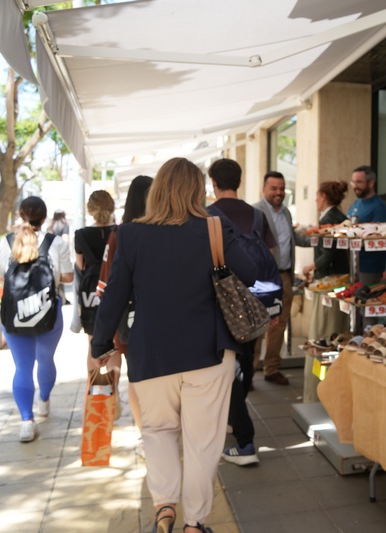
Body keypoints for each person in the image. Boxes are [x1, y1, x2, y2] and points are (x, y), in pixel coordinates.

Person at [90, 157, 257, 533]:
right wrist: (218, 224)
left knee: (158, 432)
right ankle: (194, 523)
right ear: (198, 191)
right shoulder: (212, 227)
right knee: (203, 443)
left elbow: (114, 296)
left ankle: (164, 510)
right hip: (209, 353)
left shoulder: (131, 234)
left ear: (158, 190)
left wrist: (100, 344)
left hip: (151, 353)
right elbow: (250, 271)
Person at [207, 158, 276, 466]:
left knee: (229, 364)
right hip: (258, 299)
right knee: (246, 360)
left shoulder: (208, 216)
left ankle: (243, 436)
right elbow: (270, 256)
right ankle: (236, 416)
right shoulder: (258, 215)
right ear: (239, 180)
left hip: (225, 301)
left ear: (213, 183)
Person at [0, 197, 74, 442]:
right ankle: (44, 401)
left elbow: (1, 277)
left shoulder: (6, 242)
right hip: (48, 313)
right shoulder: (55, 243)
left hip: (15, 315)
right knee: (46, 359)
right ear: (44, 216)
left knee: (22, 367)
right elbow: (69, 277)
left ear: (21, 214)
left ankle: (26, 422)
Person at [96, 175, 153, 459]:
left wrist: (102, 337)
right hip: (154, 317)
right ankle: (152, 433)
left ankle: (146, 436)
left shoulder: (120, 234)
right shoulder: (162, 232)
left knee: (136, 377)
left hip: (128, 319)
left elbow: (106, 287)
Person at [253, 171, 294, 386]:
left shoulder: (286, 213)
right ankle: (249, 373)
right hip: (262, 279)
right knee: (258, 324)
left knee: (279, 325)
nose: (279, 192)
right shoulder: (255, 212)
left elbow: (290, 240)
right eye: (274, 188)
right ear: (264, 189)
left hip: (284, 276)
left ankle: (271, 369)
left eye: (282, 188)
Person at [296, 180, 350, 339]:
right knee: (337, 324)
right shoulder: (340, 216)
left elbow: (328, 254)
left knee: (324, 328)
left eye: (317, 196)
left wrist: (310, 267)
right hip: (342, 277)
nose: (315, 200)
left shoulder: (328, 220)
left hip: (330, 279)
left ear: (323, 196)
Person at [75, 191, 116, 378]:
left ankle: (93, 389)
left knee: (92, 343)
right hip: (114, 288)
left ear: (90, 209)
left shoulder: (81, 235)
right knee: (113, 343)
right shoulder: (120, 232)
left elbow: (80, 266)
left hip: (90, 293)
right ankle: (113, 390)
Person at [346, 165, 386, 287]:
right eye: (353, 182)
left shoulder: (379, 207)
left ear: (371, 183)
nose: (355, 186)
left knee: (364, 297)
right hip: (353, 264)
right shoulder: (355, 204)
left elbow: (377, 237)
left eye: (359, 182)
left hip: (370, 267)